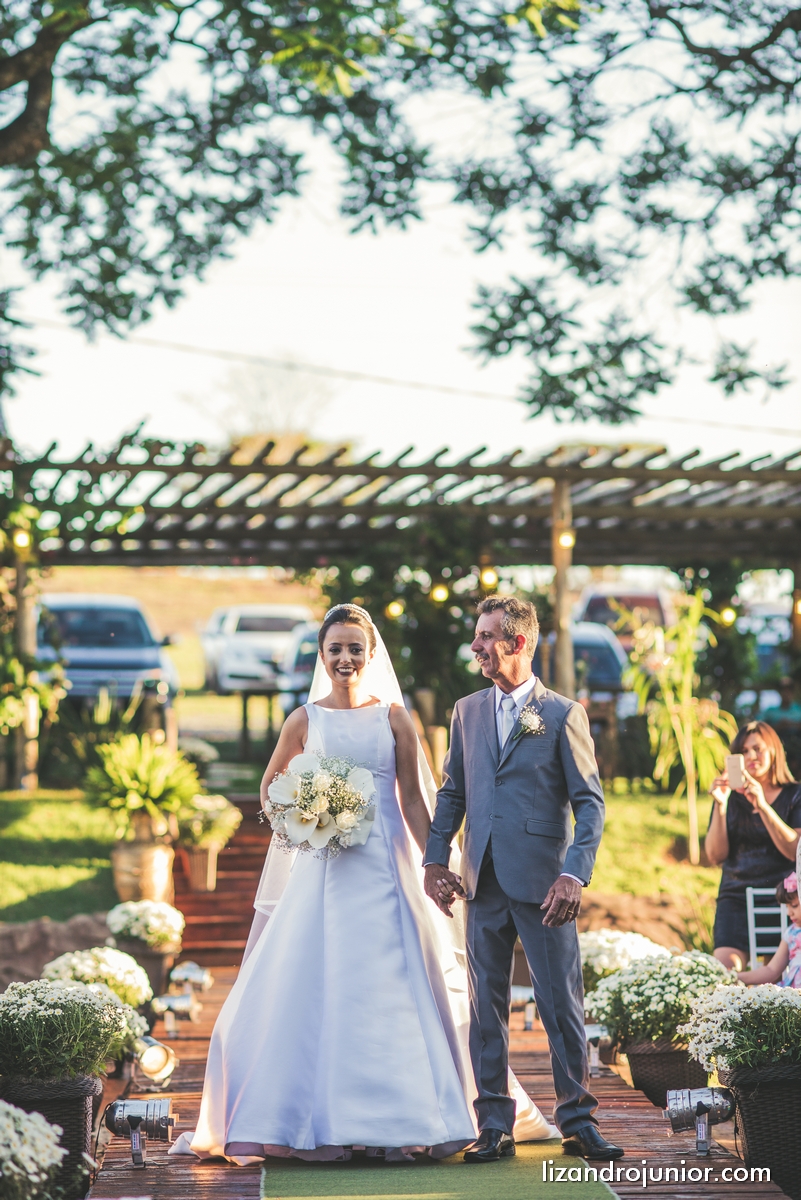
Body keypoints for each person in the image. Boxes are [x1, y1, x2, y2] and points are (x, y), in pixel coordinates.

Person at [170, 603, 556, 1165]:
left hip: (388, 869)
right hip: (326, 873)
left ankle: (405, 1123)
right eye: (335, 649)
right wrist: (311, 817)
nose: (345, 658)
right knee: (317, 985)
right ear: (322, 657)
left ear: (371, 655)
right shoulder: (304, 720)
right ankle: (320, 1123)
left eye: (355, 648)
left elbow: (416, 801)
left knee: (397, 982)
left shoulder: (394, 719)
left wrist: (435, 863)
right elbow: (272, 792)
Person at [423, 596, 623, 1164]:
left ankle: (578, 1123)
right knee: (485, 1010)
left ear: (518, 643)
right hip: (480, 881)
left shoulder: (563, 714)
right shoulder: (466, 711)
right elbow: (453, 794)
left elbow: (590, 805)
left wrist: (573, 873)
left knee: (560, 1004)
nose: (476, 646)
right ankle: (494, 1125)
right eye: (477, 635)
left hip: (545, 886)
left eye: (486, 636)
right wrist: (435, 860)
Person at [706, 721, 801, 973]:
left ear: (774, 751)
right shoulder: (729, 797)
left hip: (785, 899)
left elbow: (795, 851)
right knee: (725, 971)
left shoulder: (795, 795)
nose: (750, 756)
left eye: (757, 749)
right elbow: (715, 855)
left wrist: (763, 806)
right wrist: (720, 805)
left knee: (778, 976)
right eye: (743, 751)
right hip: (736, 896)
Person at [737, 872, 801, 989]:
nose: (789, 913)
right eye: (787, 906)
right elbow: (772, 969)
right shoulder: (791, 933)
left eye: (794, 905)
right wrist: (736, 977)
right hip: (795, 993)